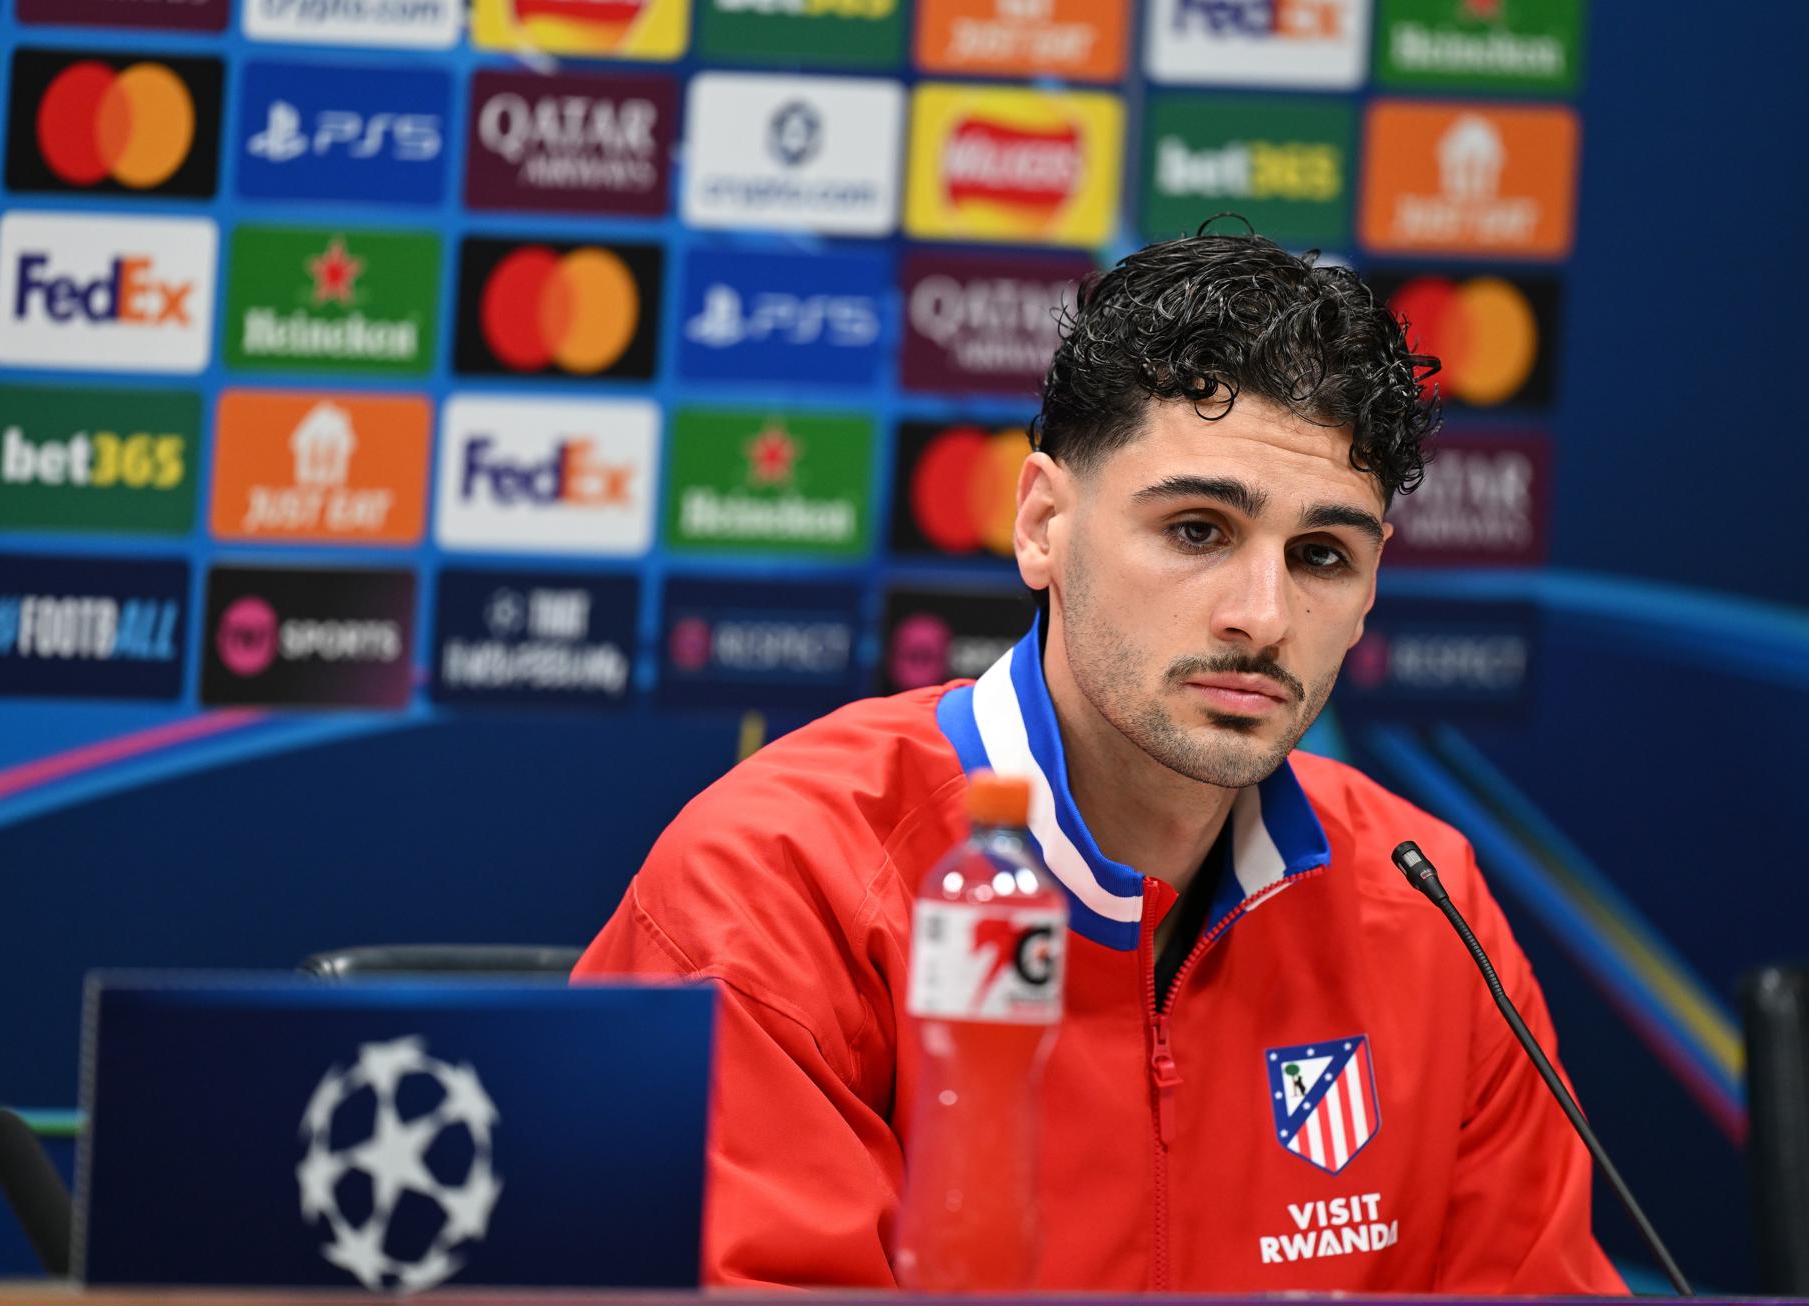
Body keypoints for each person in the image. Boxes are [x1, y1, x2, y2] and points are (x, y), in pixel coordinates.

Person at [574, 231, 1626, 1294]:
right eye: (1197, 529)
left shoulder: (1427, 903)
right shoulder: (781, 881)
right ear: (1043, 525)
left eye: (1321, 556)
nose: (1261, 617)